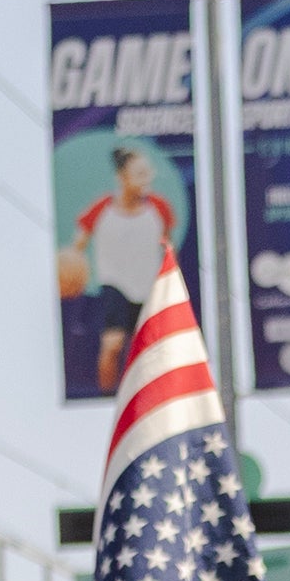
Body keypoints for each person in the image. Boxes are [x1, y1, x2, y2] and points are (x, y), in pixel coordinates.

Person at [75, 142, 184, 395]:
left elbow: (169, 250)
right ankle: (107, 398)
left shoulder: (159, 207)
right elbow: (76, 249)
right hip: (114, 286)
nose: (147, 179)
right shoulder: (102, 208)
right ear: (122, 177)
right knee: (112, 346)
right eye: (139, 174)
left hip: (148, 288)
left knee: (151, 355)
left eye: (148, 173)